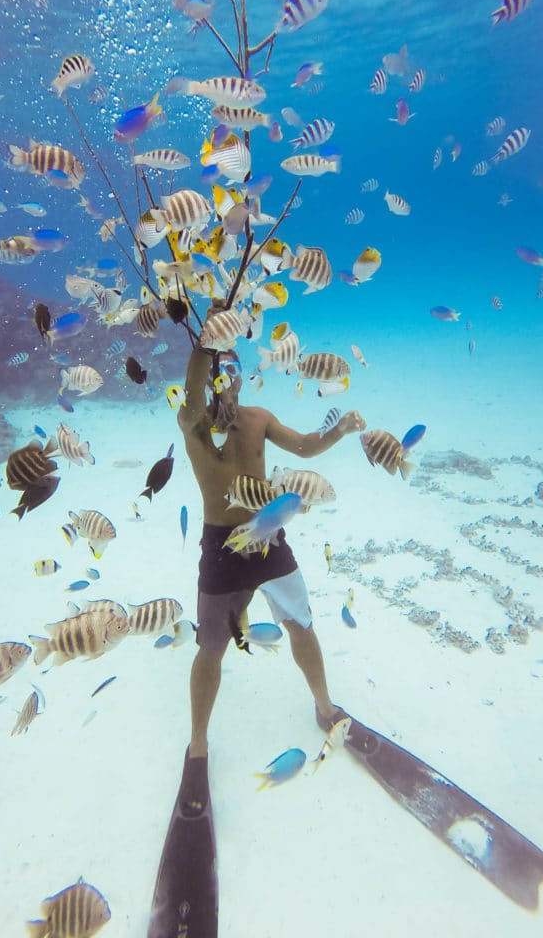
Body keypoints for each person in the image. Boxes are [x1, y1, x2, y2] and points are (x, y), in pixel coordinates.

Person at [175, 305, 366, 813]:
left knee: (302, 624)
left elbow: (304, 448)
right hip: (221, 546)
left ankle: (325, 708)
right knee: (210, 649)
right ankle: (198, 745)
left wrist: (340, 431)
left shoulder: (258, 419)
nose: (230, 382)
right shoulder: (193, 423)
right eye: (222, 371)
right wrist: (205, 342)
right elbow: (194, 397)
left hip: (271, 539)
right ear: (211, 377)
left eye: (236, 371)